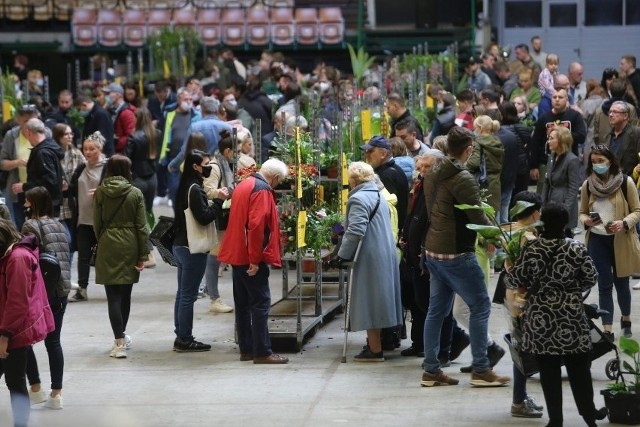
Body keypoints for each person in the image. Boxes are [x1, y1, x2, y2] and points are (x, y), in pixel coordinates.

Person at [420, 126, 509, 387]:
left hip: (433, 251)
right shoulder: (463, 178)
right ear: (469, 149)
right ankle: (481, 369)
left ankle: (431, 370)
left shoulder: (433, 171)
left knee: (435, 312)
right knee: (480, 306)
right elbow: (476, 216)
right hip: (456, 253)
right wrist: (496, 239)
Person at [508, 202, 607, 427]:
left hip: (541, 319)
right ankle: (589, 416)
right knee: (579, 370)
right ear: (565, 223)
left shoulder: (532, 249)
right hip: (571, 317)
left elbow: (513, 279)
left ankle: (556, 420)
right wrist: (571, 289)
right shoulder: (576, 248)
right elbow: (591, 278)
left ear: (543, 221)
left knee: (549, 372)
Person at [217, 159, 289, 364]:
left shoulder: (244, 184)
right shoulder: (262, 190)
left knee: (242, 304)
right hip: (249, 256)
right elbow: (256, 226)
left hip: (236, 252)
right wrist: (255, 259)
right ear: (275, 178)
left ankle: (247, 349)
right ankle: (262, 352)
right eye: (279, 182)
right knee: (260, 302)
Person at [330, 162, 403, 361]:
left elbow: (355, 230)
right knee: (378, 300)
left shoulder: (358, 198)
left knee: (370, 301)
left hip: (369, 256)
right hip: (384, 252)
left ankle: (375, 349)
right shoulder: (378, 195)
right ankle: (376, 345)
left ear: (353, 180)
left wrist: (342, 255)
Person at [580, 145, 640, 339]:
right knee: (604, 284)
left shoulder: (625, 182)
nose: (597, 165)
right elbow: (581, 212)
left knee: (621, 282)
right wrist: (586, 220)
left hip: (621, 239)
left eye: (601, 161)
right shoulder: (588, 185)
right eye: (594, 162)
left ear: (611, 162)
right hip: (597, 240)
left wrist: (623, 223)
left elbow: (637, 211)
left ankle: (626, 318)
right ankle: (607, 329)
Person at [93, 155, 149, 358]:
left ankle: (119, 340)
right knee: (126, 294)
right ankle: (122, 336)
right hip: (130, 244)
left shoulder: (100, 192)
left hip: (108, 242)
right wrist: (143, 253)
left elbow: (96, 223)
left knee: (112, 296)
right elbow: (142, 226)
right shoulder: (135, 193)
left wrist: (104, 238)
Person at [0, 218, 55, 427]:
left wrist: (5, 335)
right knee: (15, 383)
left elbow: (17, 301)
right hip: (8, 326)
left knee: (15, 384)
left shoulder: (17, 259)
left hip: (14, 330)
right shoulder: (10, 256)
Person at [495, 191, 544, 418]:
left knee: (519, 347)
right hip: (522, 298)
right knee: (523, 352)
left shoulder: (509, 229)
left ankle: (521, 396)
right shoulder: (529, 239)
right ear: (535, 213)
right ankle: (518, 401)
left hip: (510, 295)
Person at [172, 150, 227, 352]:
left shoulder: (183, 187)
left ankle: (181, 335)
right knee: (188, 295)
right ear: (196, 167)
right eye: (206, 164)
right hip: (192, 248)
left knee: (182, 293)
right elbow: (204, 217)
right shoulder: (194, 189)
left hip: (180, 245)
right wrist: (220, 200)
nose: (209, 168)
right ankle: (185, 338)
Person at [22, 187, 71, 410]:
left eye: (27, 201)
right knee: (54, 342)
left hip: (41, 293)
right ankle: (57, 394)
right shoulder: (59, 224)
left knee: (23, 339)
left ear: (33, 203)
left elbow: (28, 260)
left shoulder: (30, 226)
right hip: (61, 290)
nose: (24, 205)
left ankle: (35, 387)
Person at [68, 132, 108, 302]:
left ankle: (112, 287)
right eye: (85, 149)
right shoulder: (81, 168)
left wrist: (102, 191)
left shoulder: (108, 167)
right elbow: (71, 190)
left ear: (100, 149)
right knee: (83, 256)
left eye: (92, 149)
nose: (88, 152)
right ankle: (82, 289)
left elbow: (119, 188)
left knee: (106, 256)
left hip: (103, 221)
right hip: (83, 219)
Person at [202, 132, 234, 314]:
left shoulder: (224, 164)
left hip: (223, 214)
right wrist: (224, 194)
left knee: (216, 255)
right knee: (213, 256)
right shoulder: (215, 167)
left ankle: (212, 294)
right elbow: (208, 191)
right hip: (217, 215)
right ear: (227, 151)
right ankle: (214, 297)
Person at [0, 104, 45, 229]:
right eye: (26, 121)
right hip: (19, 190)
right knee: (22, 226)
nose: (30, 125)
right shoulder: (11, 135)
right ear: (18, 121)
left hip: (40, 189)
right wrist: (18, 162)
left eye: (34, 120)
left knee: (42, 225)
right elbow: (2, 163)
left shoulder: (45, 133)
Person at [126, 107, 160, 268]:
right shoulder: (156, 134)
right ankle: (148, 246)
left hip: (138, 178)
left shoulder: (134, 137)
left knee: (138, 217)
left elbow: (127, 161)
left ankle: (148, 251)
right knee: (148, 213)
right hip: (152, 178)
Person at [11, 118, 65, 218]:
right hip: (49, 206)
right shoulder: (50, 147)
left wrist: (24, 186)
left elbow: (49, 182)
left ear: (28, 131)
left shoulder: (43, 153)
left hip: (44, 209)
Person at [542, 126, 582, 234]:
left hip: (564, 204)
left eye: (551, 138)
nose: (548, 141)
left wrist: (565, 211)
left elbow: (573, 188)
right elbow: (546, 182)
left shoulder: (572, 160)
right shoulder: (551, 157)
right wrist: (543, 204)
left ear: (561, 140)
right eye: (548, 138)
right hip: (550, 203)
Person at [52, 123, 85, 248]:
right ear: (58, 136)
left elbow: (86, 170)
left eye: (71, 133)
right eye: (66, 134)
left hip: (72, 201)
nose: (70, 136)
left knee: (71, 240)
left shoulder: (76, 153)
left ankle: (67, 266)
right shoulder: (52, 153)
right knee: (65, 239)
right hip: (57, 201)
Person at [466, 115, 505, 216]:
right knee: (492, 217)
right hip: (496, 182)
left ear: (480, 128)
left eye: (475, 128)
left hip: (483, 183)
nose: (474, 130)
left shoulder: (478, 143)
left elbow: (474, 162)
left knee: (482, 218)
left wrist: (463, 165)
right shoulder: (498, 142)